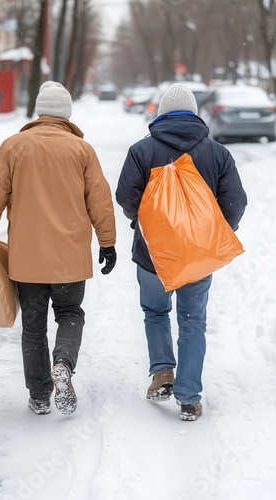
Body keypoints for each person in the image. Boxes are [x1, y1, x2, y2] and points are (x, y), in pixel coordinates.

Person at [0, 81, 117, 416]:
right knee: (69, 313)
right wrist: (107, 242)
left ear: (41, 111)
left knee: (34, 324)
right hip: (69, 255)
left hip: (27, 256)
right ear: (66, 113)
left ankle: (39, 395)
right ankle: (63, 364)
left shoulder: (14, 146)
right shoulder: (82, 150)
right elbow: (100, 200)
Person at [116, 83, 247, 421]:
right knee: (192, 321)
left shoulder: (142, 151)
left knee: (155, 312)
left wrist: (150, 227)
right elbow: (235, 202)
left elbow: (125, 196)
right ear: (195, 113)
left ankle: (162, 373)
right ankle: (189, 396)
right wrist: (211, 233)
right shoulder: (217, 153)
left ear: (162, 113)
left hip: (152, 256)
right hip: (198, 256)